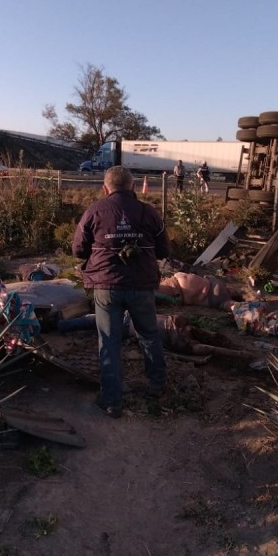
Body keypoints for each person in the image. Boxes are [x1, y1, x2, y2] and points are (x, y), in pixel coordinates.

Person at [72, 166, 171, 418]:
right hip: (141, 286)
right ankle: (157, 385)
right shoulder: (149, 212)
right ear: (133, 187)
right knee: (148, 334)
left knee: (109, 341)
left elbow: (78, 250)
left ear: (105, 188)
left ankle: (111, 401)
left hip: (106, 288)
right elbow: (163, 251)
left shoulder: (94, 211)